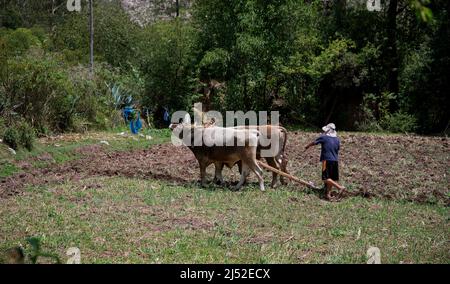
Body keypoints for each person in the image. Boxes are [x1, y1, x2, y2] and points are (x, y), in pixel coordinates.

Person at [305, 123, 345, 200]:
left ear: (328, 131)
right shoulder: (337, 139)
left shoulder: (324, 137)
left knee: (325, 178)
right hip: (335, 160)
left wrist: (307, 146)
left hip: (327, 160)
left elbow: (314, 142)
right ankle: (328, 194)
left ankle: (340, 187)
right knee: (331, 178)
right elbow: (337, 149)